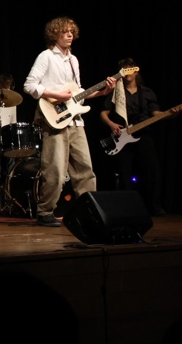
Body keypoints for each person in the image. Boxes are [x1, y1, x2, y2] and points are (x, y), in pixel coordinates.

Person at [23, 16, 116, 227]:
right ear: (54, 34)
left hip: (75, 120)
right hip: (54, 119)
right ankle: (45, 211)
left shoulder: (74, 60)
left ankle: (91, 211)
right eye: (65, 32)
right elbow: (29, 86)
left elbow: (78, 93)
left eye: (72, 32)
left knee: (85, 169)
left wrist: (103, 92)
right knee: (55, 170)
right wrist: (56, 94)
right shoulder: (46, 56)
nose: (69, 35)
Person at [100, 57, 178, 216]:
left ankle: (153, 207)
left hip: (143, 134)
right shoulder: (116, 92)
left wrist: (170, 114)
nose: (126, 72)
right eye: (123, 69)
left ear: (136, 71)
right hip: (122, 137)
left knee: (152, 170)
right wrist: (112, 124)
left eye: (129, 68)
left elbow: (156, 114)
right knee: (124, 173)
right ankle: (125, 208)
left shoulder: (147, 92)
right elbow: (104, 113)